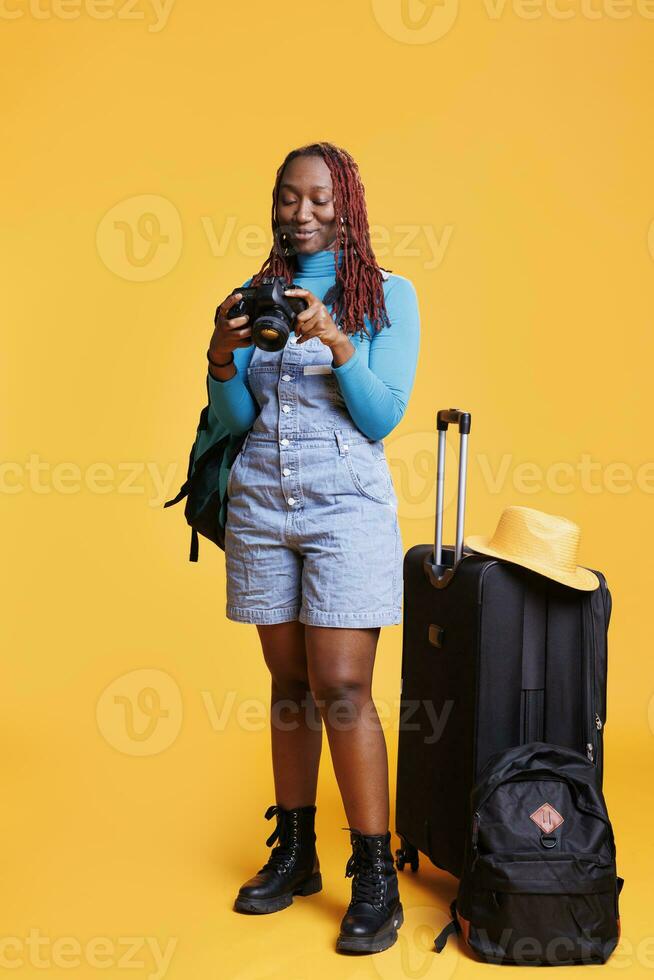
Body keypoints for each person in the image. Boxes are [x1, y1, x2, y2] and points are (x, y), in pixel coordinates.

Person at [206, 141, 420, 954]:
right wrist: (221, 354)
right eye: (291, 198)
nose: (305, 214)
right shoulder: (252, 295)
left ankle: (374, 876)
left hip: (345, 511)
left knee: (341, 682)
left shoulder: (388, 298)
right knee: (288, 679)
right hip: (263, 504)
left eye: (322, 199)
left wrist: (335, 338)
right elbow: (234, 421)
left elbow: (380, 417)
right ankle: (295, 854)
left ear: (349, 206)